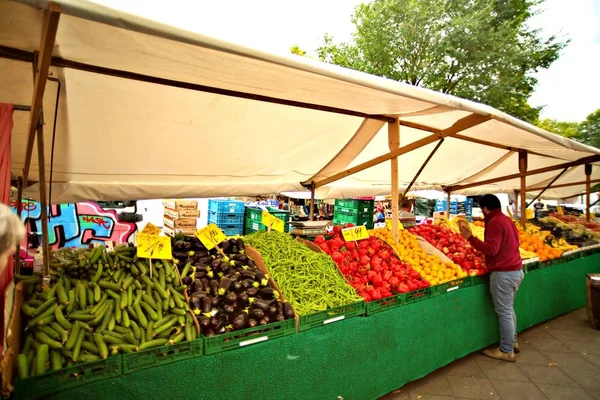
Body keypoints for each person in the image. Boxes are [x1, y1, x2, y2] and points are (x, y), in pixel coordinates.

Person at [458, 194, 523, 362]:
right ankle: (512, 341)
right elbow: (515, 243)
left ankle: (506, 350)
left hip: (504, 273)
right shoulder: (506, 219)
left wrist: (471, 239)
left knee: (504, 311)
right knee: (508, 308)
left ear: (485, 208)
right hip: (516, 269)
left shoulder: (494, 222)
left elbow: (492, 249)